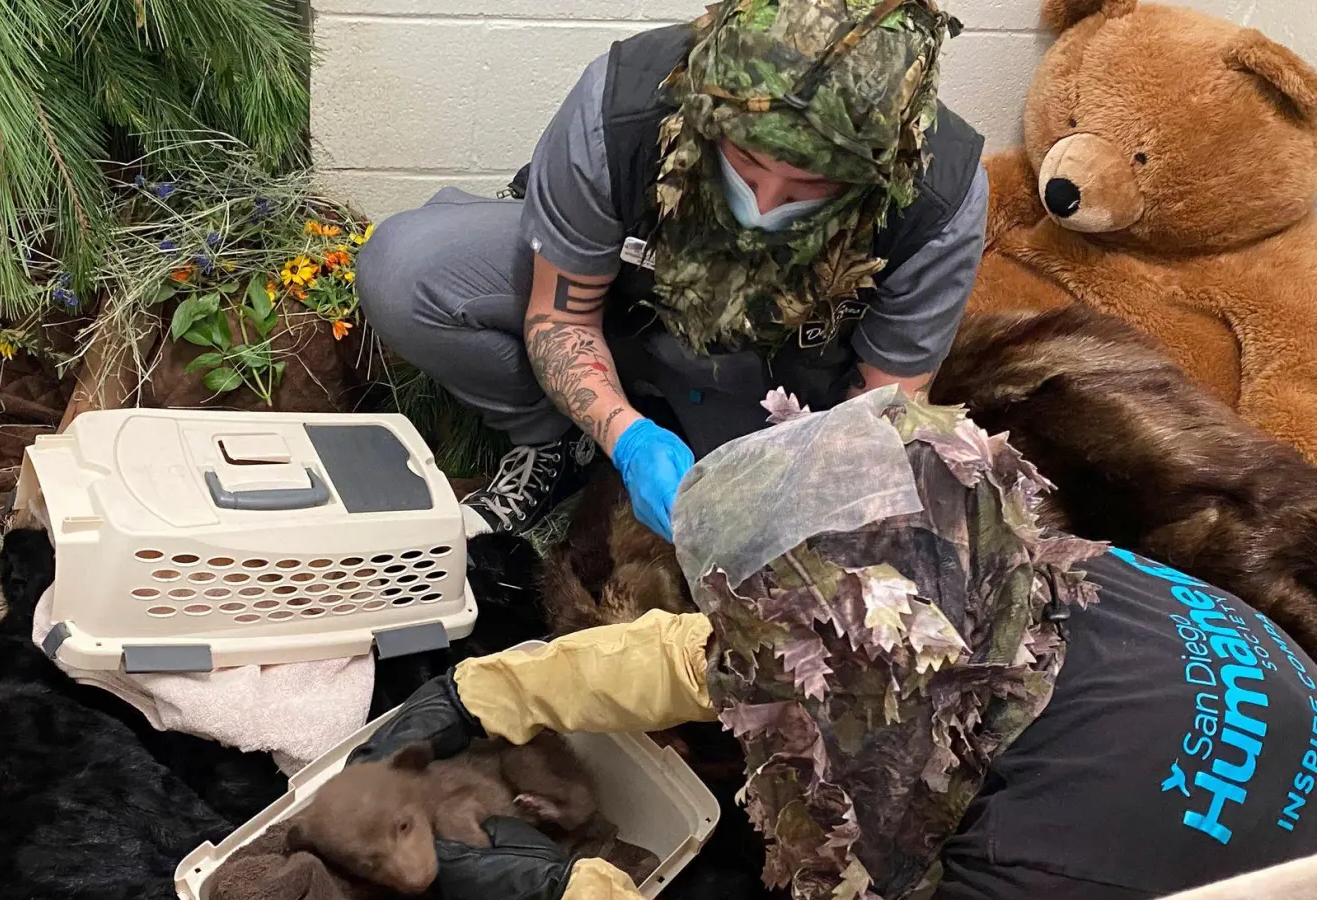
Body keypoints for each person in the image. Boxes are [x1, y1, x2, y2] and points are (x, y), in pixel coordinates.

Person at [346, 389, 1317, 900]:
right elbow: (737, 654)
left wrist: (568, 889)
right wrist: (492, 691)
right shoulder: (1042, 567)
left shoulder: (1035, 863)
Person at [357, 0, 986, 541]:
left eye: (809, 185)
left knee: (740, 526)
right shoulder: (624, 108)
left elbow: (886, 405)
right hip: (624, 311)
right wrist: (626, 439)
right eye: (744, 159)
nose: (764, 204)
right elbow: (562, 315)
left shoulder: (938, 195)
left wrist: (805, 486)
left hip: (774, 380)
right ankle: (558, 443)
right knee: (407, 269)